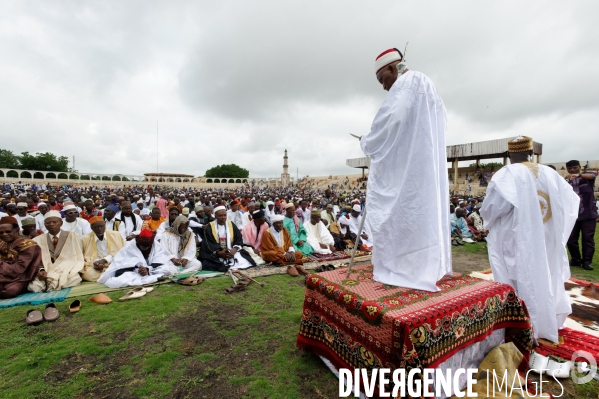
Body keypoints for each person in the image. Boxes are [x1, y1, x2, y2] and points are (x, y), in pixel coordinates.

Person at [359, 47, 451, 291]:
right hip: (424, 164)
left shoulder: (406, 84)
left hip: (409, 168)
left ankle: (404, 268)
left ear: (391, 68)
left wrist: (365, 142)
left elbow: (393, 121)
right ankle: (423, 266)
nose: (383, 87)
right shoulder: (427, 83)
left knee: (403, 215)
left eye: (382, 79)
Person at [480, 136, 579, 342]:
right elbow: (571, 202)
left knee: (520, 278)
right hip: (547, 239)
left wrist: (486, 223)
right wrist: (557, 231)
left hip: (519, 239)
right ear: (531, 152)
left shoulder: (506, 174)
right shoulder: (551, 174)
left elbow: (491, 209)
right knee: (546, 276)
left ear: (508, 154)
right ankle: (545, 321)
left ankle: (520, 325)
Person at [29, 210, 84, 292]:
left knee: (74, 279)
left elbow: (78, 256)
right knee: (34, 287)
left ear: (61, 223)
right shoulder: (37, 240)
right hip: (47, 270)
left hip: (67, 269)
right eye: (48, 222)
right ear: (44, 224)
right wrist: (41, 270)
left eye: (54, 222)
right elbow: (35, 259)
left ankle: (52, 283)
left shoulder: (73, 236)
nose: (51, 224)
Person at [98, 228, 173, 288]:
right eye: (142, 246)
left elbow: (159, 258)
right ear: (138, 241)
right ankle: (155, 278)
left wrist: (148, 269)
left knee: (166, 268)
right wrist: (139, 269)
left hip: (151, 269)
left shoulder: (156, 244)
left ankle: (152, 277)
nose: (145, 248)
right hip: (135, 271)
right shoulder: (130, 246)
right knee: (120, 279)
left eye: (147, 246)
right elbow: (122, 264)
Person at [200, 206, 256, 272]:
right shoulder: (209, 227)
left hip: (231, 250)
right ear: (215, 216)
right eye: (220, 215)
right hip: (217, 252)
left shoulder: (231, 224)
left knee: (244, 261)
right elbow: (208, 242)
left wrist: (234, 250)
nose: (223, 217)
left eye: (224, 215)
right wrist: (219, 252)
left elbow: (238, 238)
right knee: (208, 263)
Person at [565, 160, 597, 270]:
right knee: (571, 239)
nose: (572, 170)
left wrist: (579, 175)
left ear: (579, 167)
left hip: (588, 213)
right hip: (572, 215)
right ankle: (576, 259)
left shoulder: (587, 177)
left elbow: (593, 175)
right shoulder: (565, 180)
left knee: (588, 239)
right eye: (570, 168)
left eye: (575, 168)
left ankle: (587, 261)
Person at [0, 216, 42, 299]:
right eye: (1, 233)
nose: (4, 234)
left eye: (8, 231)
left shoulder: (28, 245)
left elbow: (20, 268)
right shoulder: (2, 244)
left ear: (17, 230)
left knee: (8, 291)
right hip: (3, 274)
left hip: (21, 277)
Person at [81, 216, 125, 282]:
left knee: (124, 266)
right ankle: (111, 275)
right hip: (94, 266)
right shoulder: (85, 239)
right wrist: (96, 264)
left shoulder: (116, 235)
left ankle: (107, 275)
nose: (99, 229)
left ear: (105, 225)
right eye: (96, 227)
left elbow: (121, 253)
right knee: (87, 274)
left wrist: (104, 260)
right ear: (91, 228)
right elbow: (85, 257)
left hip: (113, 262)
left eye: (101, 226)